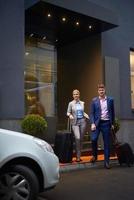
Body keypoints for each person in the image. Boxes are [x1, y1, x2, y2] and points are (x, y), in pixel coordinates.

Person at [90, 84, 115, 169]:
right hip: (97, 124)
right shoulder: (94, 100)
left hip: (106, 123)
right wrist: (92, 123)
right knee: (93, 139)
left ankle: (107, 162)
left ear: (105, 90)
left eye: (102, 90)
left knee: (106, 143)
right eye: (100, 90)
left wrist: (112, 124)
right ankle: (94, 155)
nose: (101, 91)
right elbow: (92, 113)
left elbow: (112, 112)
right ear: (98, 91)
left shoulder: (110, 100)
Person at [67, 89, 89, 162]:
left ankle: (79, 155)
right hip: (75, 122)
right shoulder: (71, 103)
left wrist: (86, 115)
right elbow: (68, 112)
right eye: (74, 94)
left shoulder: (82, 103)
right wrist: (70, 115)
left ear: (79, 95)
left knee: (81, 139)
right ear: (73, 95)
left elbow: (82, 112)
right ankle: (77, 156)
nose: (76, 95)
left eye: (77, 94)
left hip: (82, 121)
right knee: (78, 138)